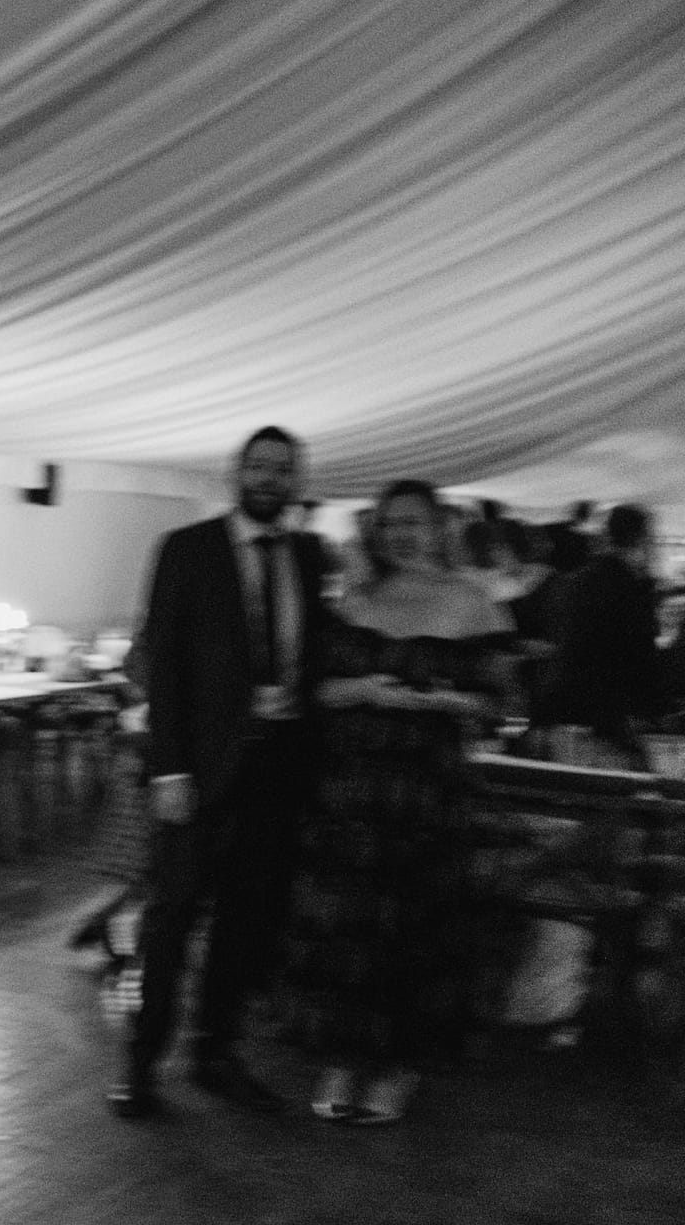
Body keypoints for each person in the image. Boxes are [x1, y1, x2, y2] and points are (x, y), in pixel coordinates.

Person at [108, 425, 330, 1119]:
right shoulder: (188, 549)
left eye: (282, 470)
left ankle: (217, 1054)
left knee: (245, 919)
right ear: (238, 474)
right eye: (259, 467)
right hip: (199, 771)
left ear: (294, 482)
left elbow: (318, 658)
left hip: (279, 766)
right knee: (172, 918)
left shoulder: (309, 556)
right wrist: (169, 769)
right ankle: (141, 1064)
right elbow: (164, 664)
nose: (269, 479)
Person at [279, 479, 512, 1125]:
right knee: (346, 925)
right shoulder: (355, 599)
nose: (399, 534)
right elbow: (317, 694)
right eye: (388, 524)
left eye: (411, 522)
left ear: (439, 526)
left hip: (427, 792)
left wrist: (435, 702)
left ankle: (403, 1064)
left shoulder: (473, 604)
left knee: (414, 927)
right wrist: (362, 691)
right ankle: (343, 1058)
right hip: (350, 790)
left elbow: (496, 707)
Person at [537, 503, 664, 767]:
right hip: (611, 713)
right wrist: (654, 708)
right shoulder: (634, 589)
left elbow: (564, 646)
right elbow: (642, 656)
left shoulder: (575, 582)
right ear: (642, 539)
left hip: (564, 704)